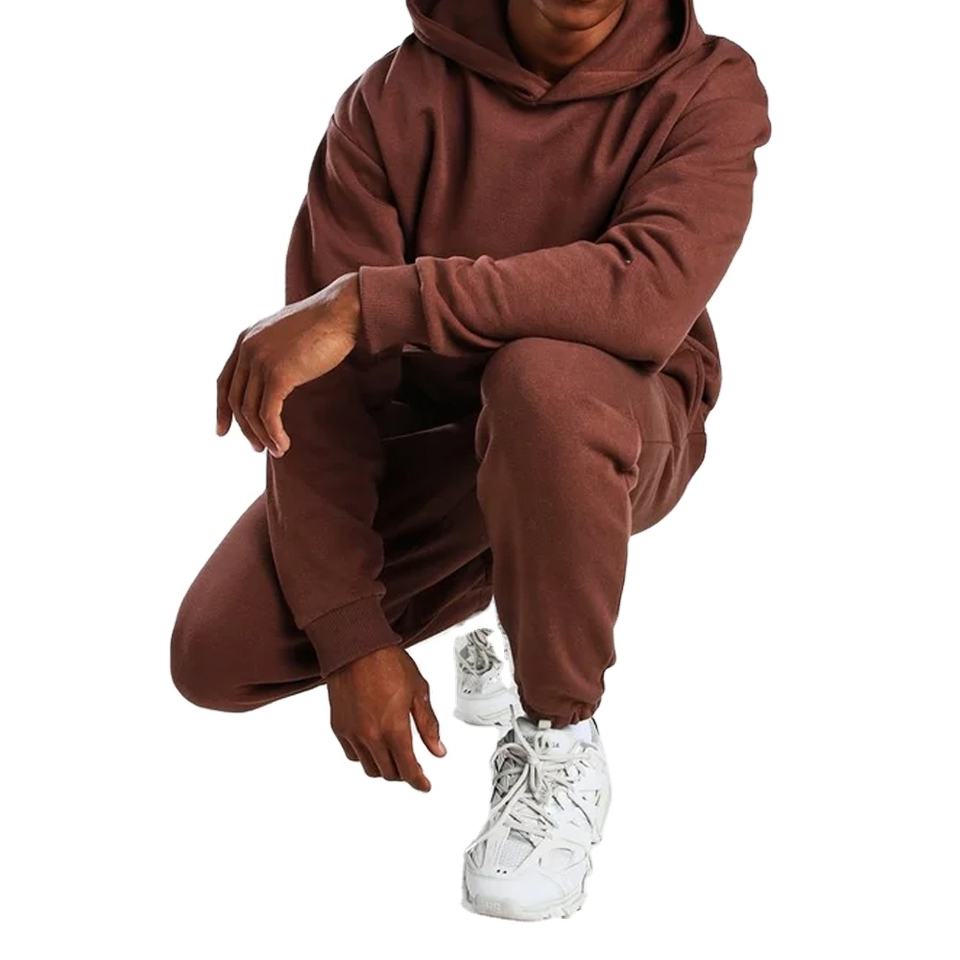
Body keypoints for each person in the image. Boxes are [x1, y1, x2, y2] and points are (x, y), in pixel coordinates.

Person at [170, 0, 771, 920]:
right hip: (444, 437)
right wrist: (353, 634)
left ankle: (561, 738)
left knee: (541, 384)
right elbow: (326, 393)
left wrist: (367, 303)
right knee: (217, 653)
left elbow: (642, 296)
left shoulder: (708, 85)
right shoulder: (389, 102)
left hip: (616, 421)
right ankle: (521, 574)